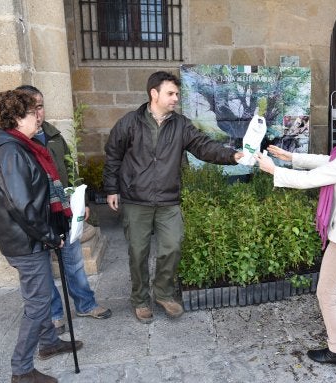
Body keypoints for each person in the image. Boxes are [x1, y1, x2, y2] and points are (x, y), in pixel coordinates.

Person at [254, 100, 336, 367]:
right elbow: (331, 162)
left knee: (326, 294)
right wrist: (292, 157)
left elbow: (311, 180)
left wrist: (273, 170)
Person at [103, 71, 244, 323]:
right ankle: (140, 300)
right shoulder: (129, 123)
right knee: (138, 253)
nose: (176, 98)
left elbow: (203, 146)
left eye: (177, 94)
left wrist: (232, 155)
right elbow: (113, 155)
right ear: (153, 94)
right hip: (136, 199)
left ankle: (164, 293)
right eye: (171, 93)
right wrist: (111, 189)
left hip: (168, 200)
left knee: (172, 246)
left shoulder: (181, 125)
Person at [0, 90, 83, 383]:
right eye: (31, 113)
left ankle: (48, 344)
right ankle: (21, 369)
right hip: (26, 241)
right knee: (37, 303)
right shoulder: (10, 151)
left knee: (41, 292)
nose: (38, 117)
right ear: (15, 119)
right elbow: (21, 205)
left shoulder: (19, 146)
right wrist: (50, 235)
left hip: (27, 237)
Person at [16, 85, 112, 336]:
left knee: (74, 263)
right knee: (43, 270)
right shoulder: (16, 143)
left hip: (64, 213)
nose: (38, 113)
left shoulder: (54, 136)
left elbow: (70, 172)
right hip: (37, 217)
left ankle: (85, 304)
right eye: (31, 108)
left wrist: (82, 203)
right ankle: (55, 314)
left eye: (40, 106)